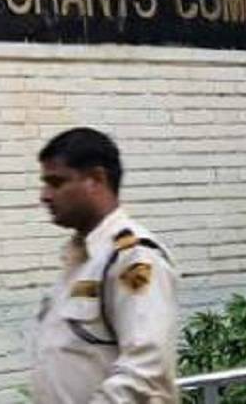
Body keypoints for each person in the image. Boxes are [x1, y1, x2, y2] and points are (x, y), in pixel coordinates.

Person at [30, 127, 179, 404]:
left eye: (56, 182)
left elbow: (145, 370)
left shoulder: (133, 258)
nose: (45, 195)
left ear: (96, 179)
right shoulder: (83, 260)